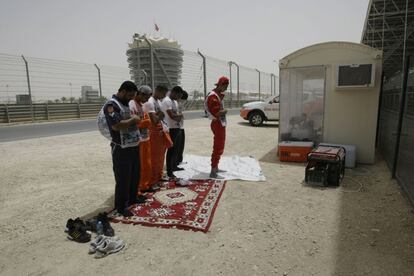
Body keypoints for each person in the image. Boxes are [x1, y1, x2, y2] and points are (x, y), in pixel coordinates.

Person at [103, 81, 141, 217]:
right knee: (123, 178)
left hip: (133, 145)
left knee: (134, 174)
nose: (131, 98)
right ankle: (121, 206)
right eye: (130, 95)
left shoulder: (126, 103)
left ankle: (133, 198)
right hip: (121, 148)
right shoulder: (111, 105)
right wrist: (134, 120)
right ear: (123, 91)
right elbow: (116, 125)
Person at [129, 85, 155, 195]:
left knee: (147, 164)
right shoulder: (132, 104)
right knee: (140, 166)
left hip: (145, 138)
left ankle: (145, 185)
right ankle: (138, 189)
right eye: (146, 97)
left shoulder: (141, 105)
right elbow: (131, 123)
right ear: (140, 94)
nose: (147, 100)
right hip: (138, 140)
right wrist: (145, 123)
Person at [144, 85, 171, 187]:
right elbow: (154, 120)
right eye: (163, 94)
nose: (164, 96)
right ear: (158, 91)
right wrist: (160, 115)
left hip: (161, 131)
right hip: (154, 132)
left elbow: (160, 116)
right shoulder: (150, 102)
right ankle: (153, 180)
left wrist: (159, 115)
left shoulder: (158, 102)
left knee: (160, 157)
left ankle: (159, 177)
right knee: (154, 158)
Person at [205, 76, 229, 178]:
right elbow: (217, 113)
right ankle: (213, 169)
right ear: (221, 85)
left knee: (220, 146)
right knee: (218, 146)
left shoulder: (217, 95)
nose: (226, 89)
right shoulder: (213, 96)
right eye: (226, 86)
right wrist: (224, 111)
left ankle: (216, 167)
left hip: (219, 123)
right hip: (217, 123)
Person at [162, 86, 184, 178]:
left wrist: (178, 116)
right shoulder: (167, 101)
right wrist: (179, 116)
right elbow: (172, 115)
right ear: (174, 92)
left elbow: (177, 115)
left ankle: (174, 166)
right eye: (178, 95)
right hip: (170, 128)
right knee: (171, 150)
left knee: (176, 150)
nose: (178, 98)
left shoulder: (174, 101)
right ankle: (169, 171)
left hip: (177, 127)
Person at [176, 90, 188, 167]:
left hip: (181, 126)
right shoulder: (176, 103)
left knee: (181, 145)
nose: (184, 101)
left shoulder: (180, 104)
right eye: (183, 99)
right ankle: (176, 161)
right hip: (177, 127)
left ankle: (179, 160)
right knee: (177, 146)